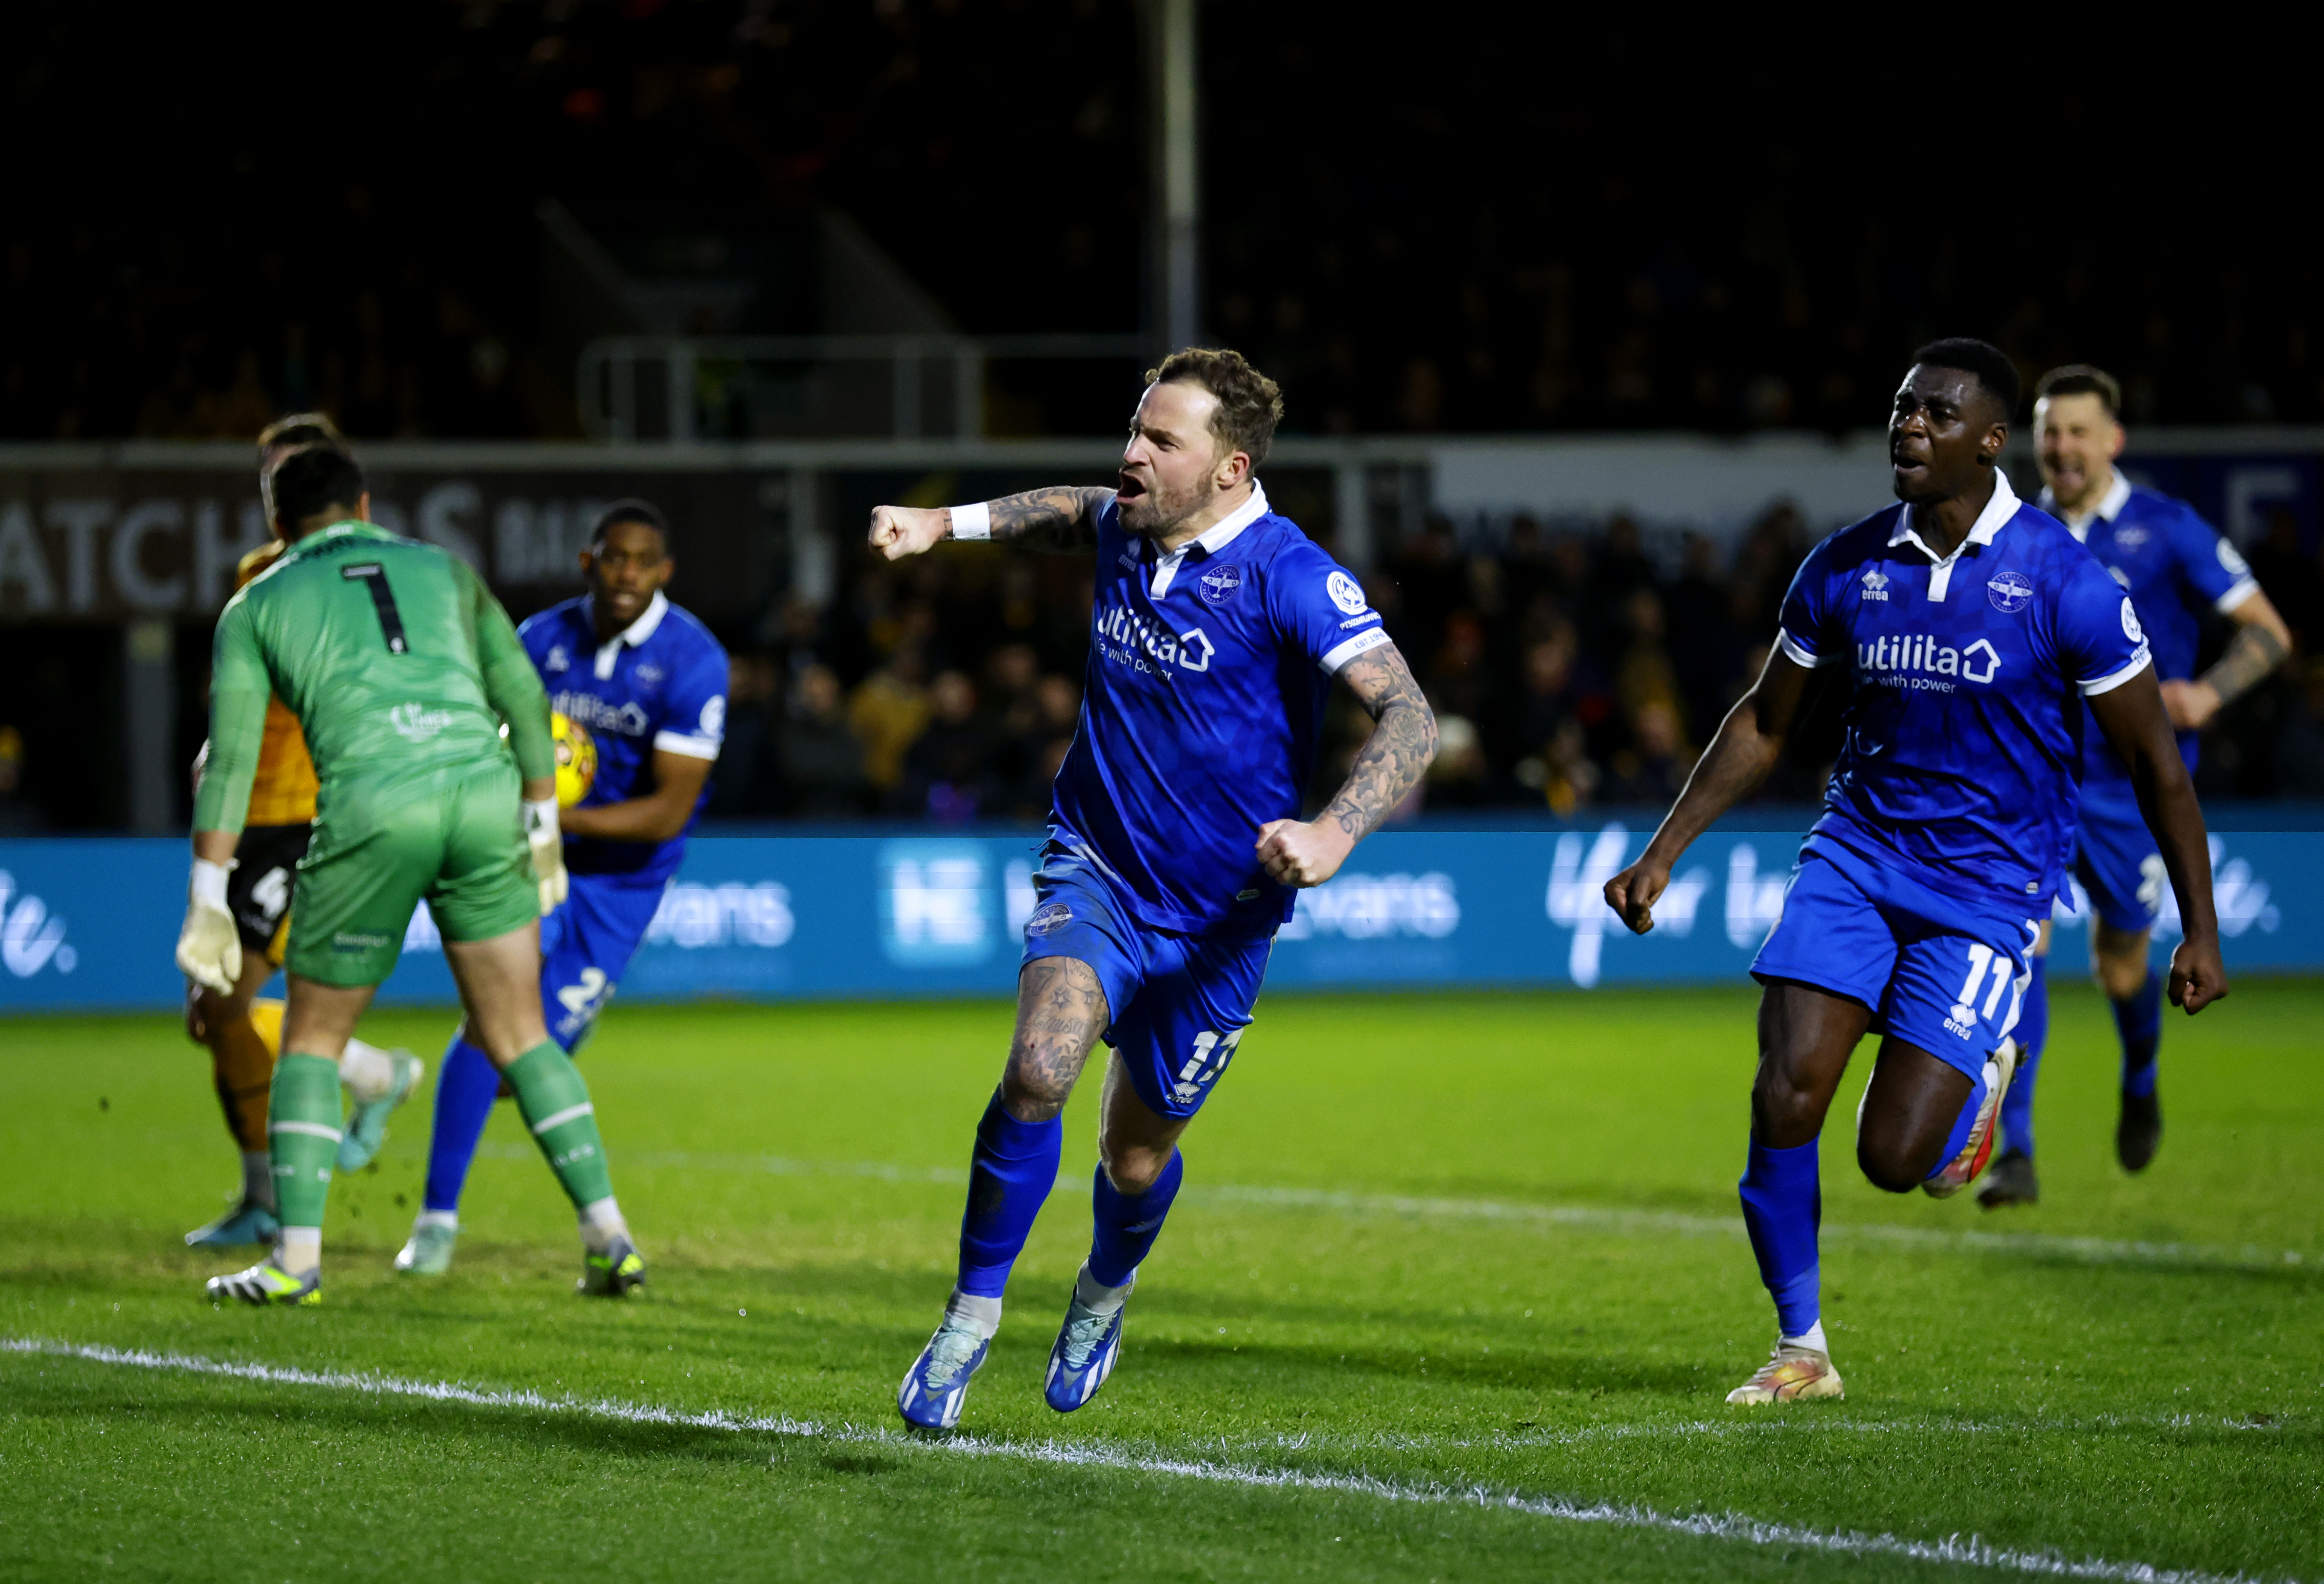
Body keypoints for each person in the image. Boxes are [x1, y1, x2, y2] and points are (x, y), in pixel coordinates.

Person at [1603, 340, 2227, 1404]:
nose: (1909, 427)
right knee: (1785, 1089)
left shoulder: (2068, 583)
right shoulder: (1846, 565)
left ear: (1992, 440)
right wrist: (1664, 850)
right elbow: (1764, 720)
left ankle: (1981, 1071)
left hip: (1989, 891)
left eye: (1937, 414)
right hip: (1856, 853)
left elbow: (2156, 765)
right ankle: (1802, 1347)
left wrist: (2199, 931)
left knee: (1894, 1159)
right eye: (1901, 409)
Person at [867, 348, 1438, 1429]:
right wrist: (944, 525)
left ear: (1227, 469)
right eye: (1135, 428)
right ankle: (970, 1315)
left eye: (1160, 440)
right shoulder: (1130, 519)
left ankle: (1102, 1292)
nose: (1131, 453)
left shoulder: (1292, 576)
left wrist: (1334, 829)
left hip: (1224, 921)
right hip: (1101, 868)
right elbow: (1064, 507)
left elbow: (1410, 716)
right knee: (1039, 1068)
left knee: (1135, 1157)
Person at [176, 444, 642, 1305]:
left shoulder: (257, 604)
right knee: (519, 1033)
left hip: (371, 806)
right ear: (362, 503)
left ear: (278, 525)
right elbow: (522, 697)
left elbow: (230, 760)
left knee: (312, 1040)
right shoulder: (444, 568)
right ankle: (609, 1235)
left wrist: (208, 894)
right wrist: (541, 824)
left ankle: (298, 1263)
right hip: (482, 799)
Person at [1979, 366, 2291, 1207]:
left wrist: (2211, 692)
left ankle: (2142, 1075)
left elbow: (2268, 633)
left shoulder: (2169, 529)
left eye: (2078, 432)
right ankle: (2017, 1151)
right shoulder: (2014, 531)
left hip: (2134, 793)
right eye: (2050, 431)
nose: (2063, 447)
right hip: (2037, 782)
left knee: (2122, 970)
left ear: (2112, 441)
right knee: (2020, 949)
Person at [395, 499, 725, 1276]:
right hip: (525, 866)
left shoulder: (694, 660)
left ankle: (595, 1234)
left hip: (620, 886)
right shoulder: (537, 640)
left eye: (643, 562)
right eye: (614, 558)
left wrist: (552, 819)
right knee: (492, 1022)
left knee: (523, 1057)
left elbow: (669, 811)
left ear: (664, 572)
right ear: (590, 562)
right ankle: (445, 1223)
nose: (627, 574)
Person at [181, 414, 422, 1251]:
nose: (278, 489)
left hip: (317, 818)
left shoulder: (375, 577)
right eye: (269, 476)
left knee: (234, 997)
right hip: (251, 817)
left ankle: (284, 1206)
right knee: (217, 1010)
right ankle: (366, 1082)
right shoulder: (258, 579)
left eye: (290, 472)